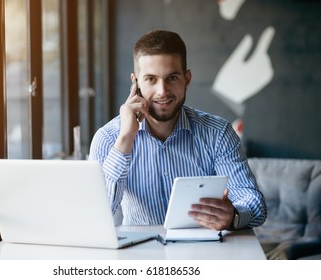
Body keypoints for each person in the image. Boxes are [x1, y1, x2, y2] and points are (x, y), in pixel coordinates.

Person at [89, 30, 267, 230]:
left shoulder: (218, 133)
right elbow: (94, 215)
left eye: (172, 78)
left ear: (187, 79)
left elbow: (254, 202)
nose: (162, 91)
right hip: (141, 256)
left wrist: (233, 215)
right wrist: (125, 138)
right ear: (135, 82)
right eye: (151, 79)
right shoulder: (108, 137)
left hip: (204, 254)